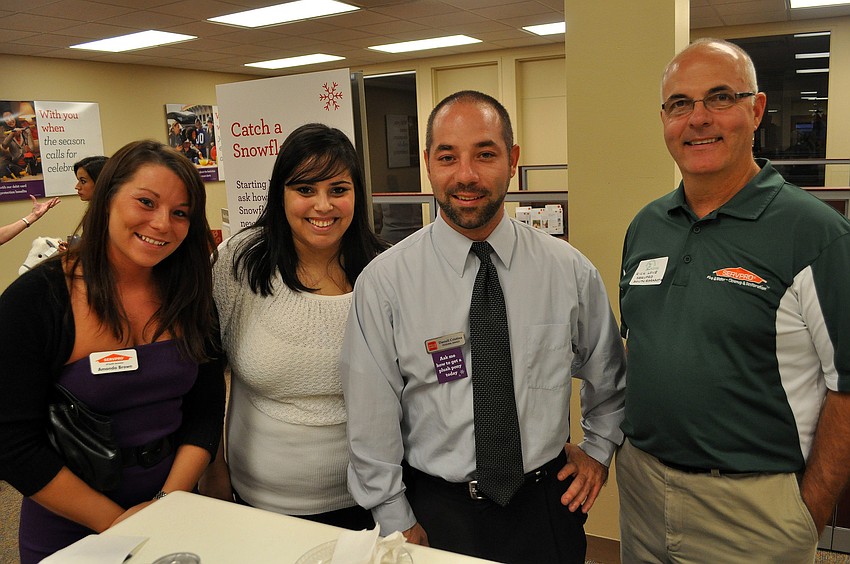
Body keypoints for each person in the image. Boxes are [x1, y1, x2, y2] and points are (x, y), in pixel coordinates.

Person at [341, 91, 626, 563]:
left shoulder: (568, 271)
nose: (466, 175)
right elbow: (370, 420)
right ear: (428, 163)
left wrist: (597, 450)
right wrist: (394, 516)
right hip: (434, 513)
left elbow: (609, 377)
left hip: (544, 508)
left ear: (513, 160)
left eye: (485, 154)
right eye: (448, 157)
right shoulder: (386, 283)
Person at [618, 38, 850, 563]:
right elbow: (639, 347)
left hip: (753, 510)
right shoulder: (646, 227)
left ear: (757, 110)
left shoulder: (816, 235)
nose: (698, 118)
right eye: (680, 104)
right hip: (642, 491)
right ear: (663, 120)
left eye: (720, 98)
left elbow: (848, 388)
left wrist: (804, 512)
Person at [0, 139, 226, 563]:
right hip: (69, 522)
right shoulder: (37, 300)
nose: (163, 224)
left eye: (181, 213)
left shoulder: (190, 295)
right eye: (146, 202)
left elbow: (206, 410)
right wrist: (121, 524)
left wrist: (165, 503)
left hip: (174, 510)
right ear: (107, 201)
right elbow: (12, 443)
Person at [198, 123, 387, 530]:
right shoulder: (239, 262)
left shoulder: (385, 271)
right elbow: (204, 374)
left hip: (374, 498)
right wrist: (212, 471)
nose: (323, 205)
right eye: (305, 190)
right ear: (280, 194)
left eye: (338, 189)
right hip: (259, 498)